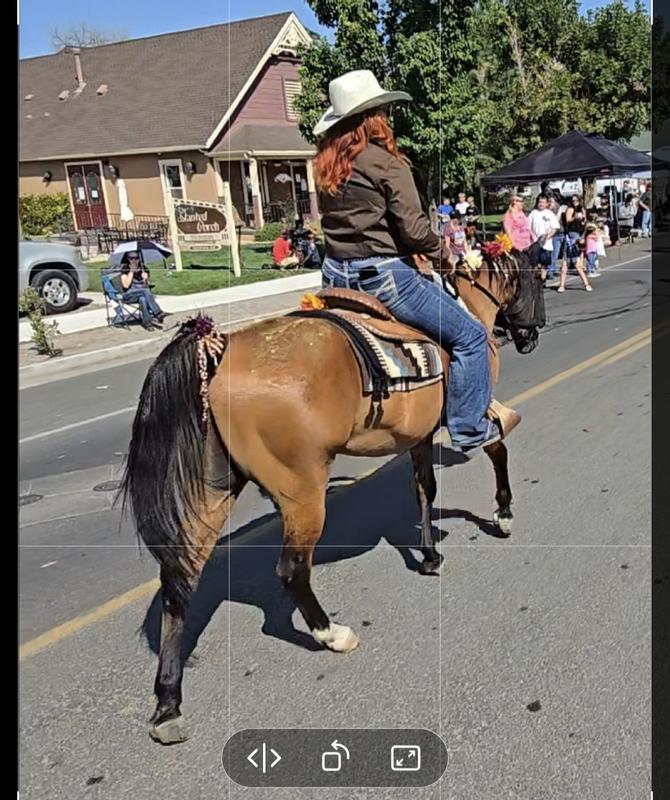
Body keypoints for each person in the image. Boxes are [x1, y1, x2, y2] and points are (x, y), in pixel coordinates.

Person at [314, 69, 520, 454]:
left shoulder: (325, 165)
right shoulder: (387, 164)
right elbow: (413, 231)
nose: (388, 118)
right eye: (383, 111)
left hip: (334, 276)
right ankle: (468, 427)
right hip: (383, 278)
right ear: (373, 118)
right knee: (472, 337)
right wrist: (445, 257)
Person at [119, 252, 165, 331]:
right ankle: (157, 312)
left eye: (136, 258)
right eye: (131, 258)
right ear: (127, 259)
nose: (134, 260)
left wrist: (146, 279)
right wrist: (131, 271)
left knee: (143, 299)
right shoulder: (125, 268)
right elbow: (125, 285)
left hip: (142, 293)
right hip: (129, 295)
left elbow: (147, 286)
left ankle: (147, 323)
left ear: (139, 258)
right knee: (144, 291)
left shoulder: (143, 268)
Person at [528, 194, 560, 277]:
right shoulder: (533, 213)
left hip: (546, 244)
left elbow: (555, 228)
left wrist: (547, 237)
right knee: (535, 264)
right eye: (539, 202)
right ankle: (535, 281)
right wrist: (533, 237)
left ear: (547, 204)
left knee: (544, 264)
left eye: (543, 202)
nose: (541, 204)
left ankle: (543, 280)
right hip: (534, 243)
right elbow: (528, 227)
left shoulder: (550, 214)